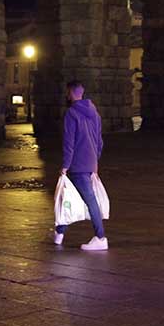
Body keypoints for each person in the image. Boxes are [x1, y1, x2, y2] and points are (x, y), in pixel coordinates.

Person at [53, 80, 108, 251]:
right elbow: (99, 141)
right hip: (90, 162)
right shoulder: (95, 114)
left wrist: (65, 165)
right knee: (70, 196)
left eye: (67, 93)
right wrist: (95, 161)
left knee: (87, 200)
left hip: (77, 163)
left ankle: (100, 237)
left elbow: (69, 142)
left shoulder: (71, 113)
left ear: (70, 93)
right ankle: (59, 233)